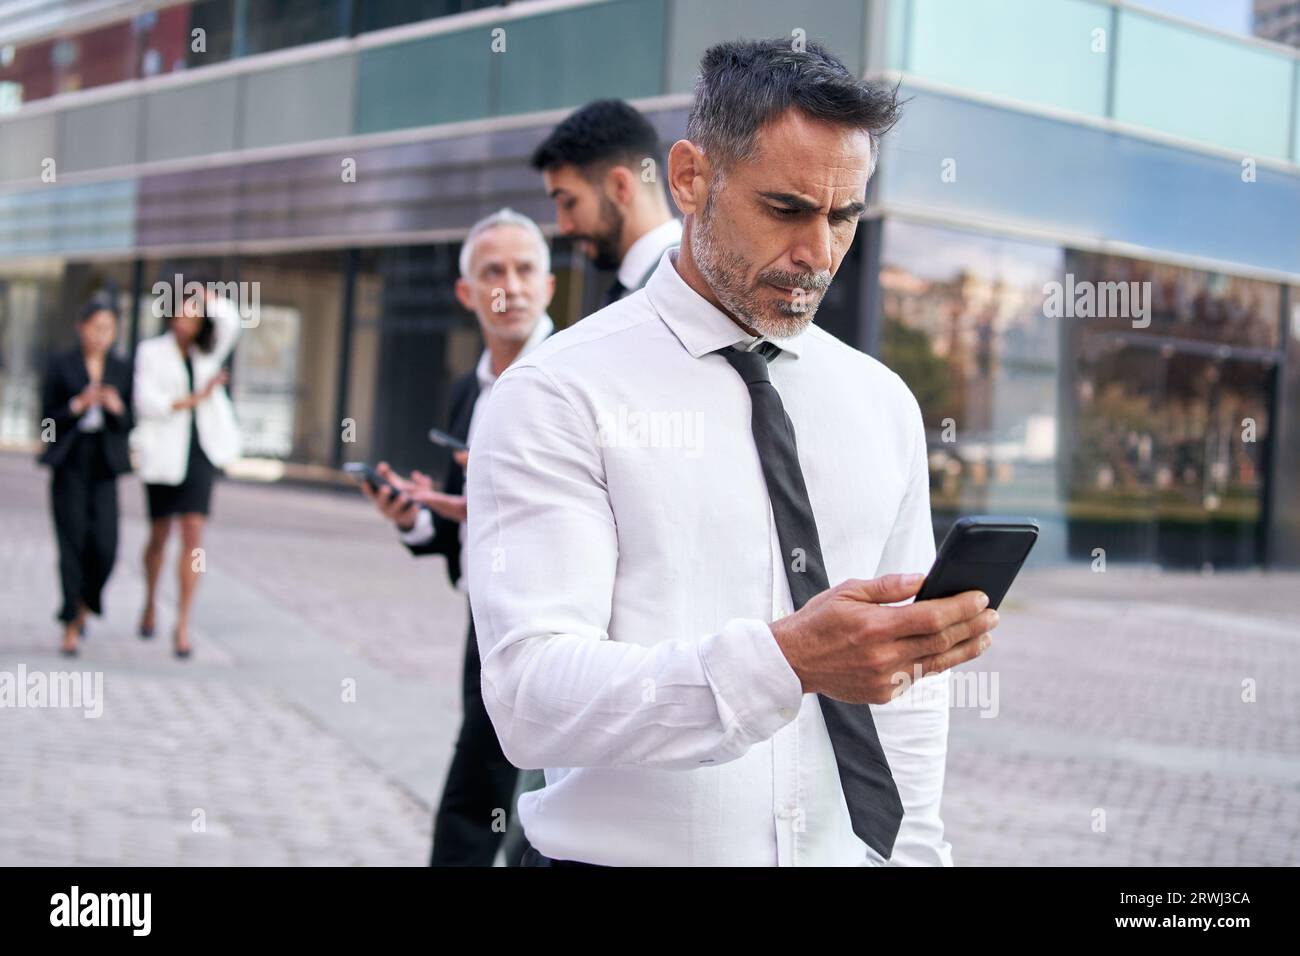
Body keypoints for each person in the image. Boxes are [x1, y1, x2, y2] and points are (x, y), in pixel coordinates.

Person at [466, 39, 1001, 867]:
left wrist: (916, 856)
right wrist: (783, 663)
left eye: (845, 217)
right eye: (786, 209)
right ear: (688, 178)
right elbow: (529, 699)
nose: (819, 254)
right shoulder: (556, 394)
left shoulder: (882, 404)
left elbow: (905, 692)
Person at [361, 209, 555, 866]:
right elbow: (454, 530)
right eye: (492, 271)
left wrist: (509, 492)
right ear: (467, 293)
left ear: (549, 286)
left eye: (526, 269)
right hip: (485, 621)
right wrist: (411, 515)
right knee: (516, 803)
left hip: (553, 621)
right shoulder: (464, 395)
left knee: (478, 803)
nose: (511, 286)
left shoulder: (573, 382)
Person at [132, 285, 242, 659]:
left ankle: (183, 621)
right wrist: (194, 399)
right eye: (182, 311)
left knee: (193, 533)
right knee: (160, 534)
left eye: (194, 315)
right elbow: (148, 403)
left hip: (201, 452)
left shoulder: (207, 354)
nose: (186, 320)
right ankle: (150, 600)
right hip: (163, 454)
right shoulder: (151, 352)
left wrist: (209, 296)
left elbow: (233, 321)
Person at [39, 296, 134, 657]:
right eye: (96, 328)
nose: (101, 336)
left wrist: (116, 407)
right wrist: (76, 407)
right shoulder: (62, 364)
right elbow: (45, 425)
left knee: (106, 546)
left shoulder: (121, 368)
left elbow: (130, 423)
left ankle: (86, 603)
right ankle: (70, 621)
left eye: (108, 330)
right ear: (81, 327)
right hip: (70, 462)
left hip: (105, 464)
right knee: (72, 544)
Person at [532, 99, 683, 305]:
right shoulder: (656, 283)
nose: (564, 226)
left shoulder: (685, 286)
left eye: (569, 202)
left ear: (620, 187)